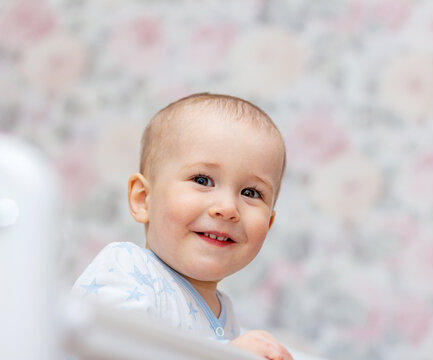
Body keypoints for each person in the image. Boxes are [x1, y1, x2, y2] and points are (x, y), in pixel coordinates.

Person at [72, 93, 293, 360]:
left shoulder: (226, 315)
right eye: (202, 180)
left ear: (268, 224)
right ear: (143, 198)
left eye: (250, 192)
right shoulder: (126, 268)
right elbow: (109, 350)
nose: (227, 208)